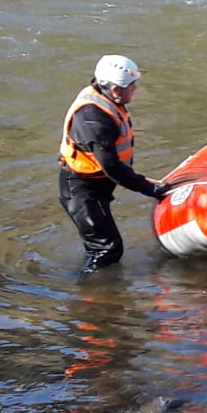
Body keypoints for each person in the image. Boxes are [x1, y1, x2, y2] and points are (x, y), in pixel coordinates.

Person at [58, 54, 167, 274]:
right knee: (106, 249)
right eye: (131, 86)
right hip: (82, 189)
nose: (135, 89)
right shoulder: (92, 120)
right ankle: (92, 297)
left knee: (104, 245)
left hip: (97, 186)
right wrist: (152, 189)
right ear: (116, 90)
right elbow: (113, 168)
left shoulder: (106, 100)